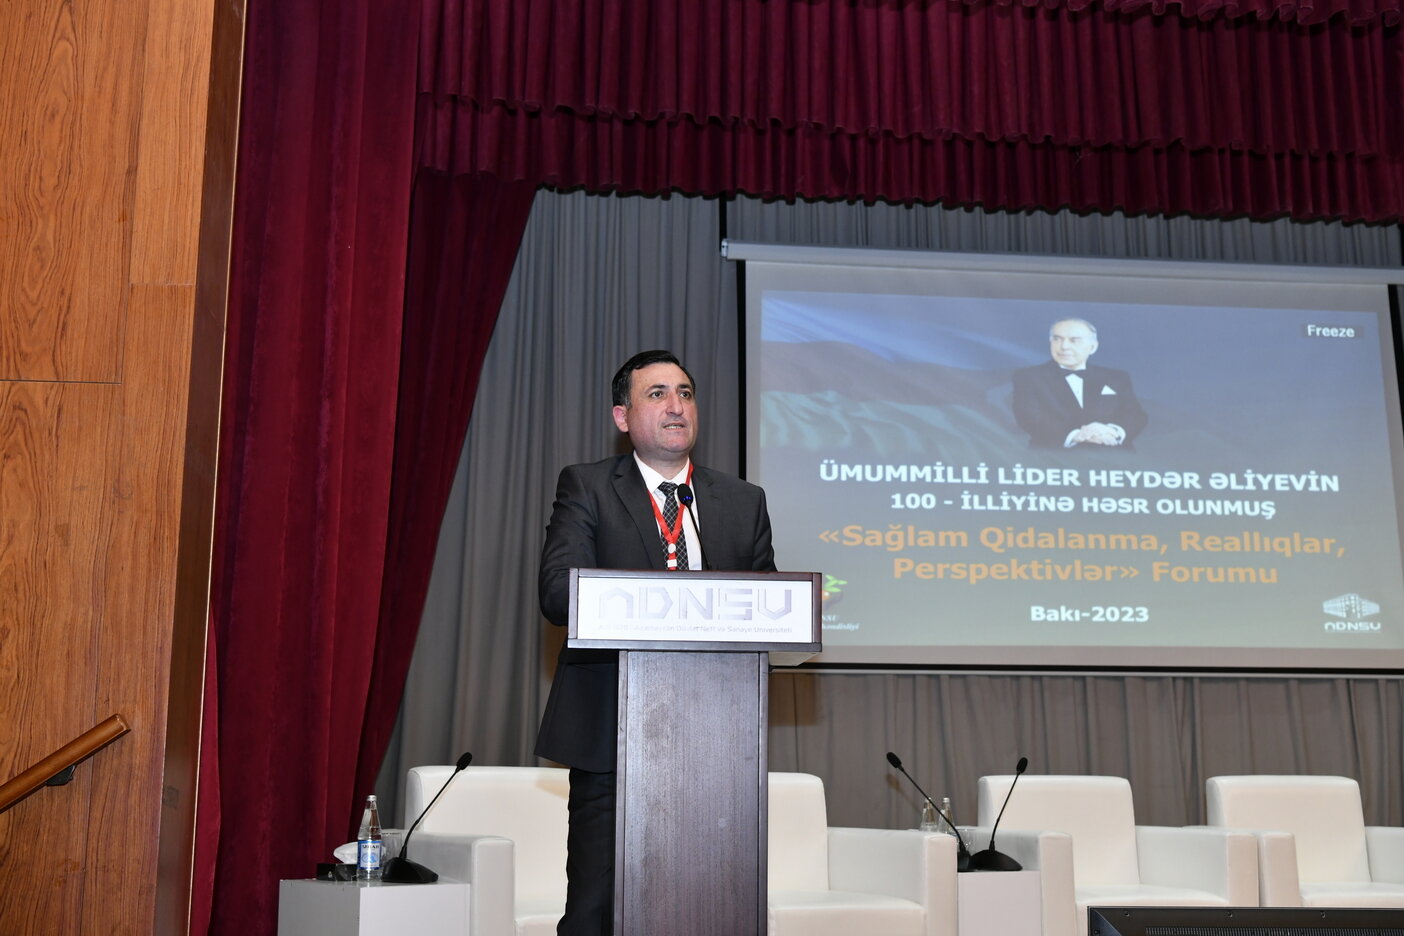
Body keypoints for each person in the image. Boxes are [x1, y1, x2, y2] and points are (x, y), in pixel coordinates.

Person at [535, 349, 776, 936]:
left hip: (719, 743)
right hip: (611, 733)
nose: (676, 406)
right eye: (658, 394)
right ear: (623, 417)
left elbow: (771, 609)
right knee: (595, 910)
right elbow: (560, 593)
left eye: (685, 394)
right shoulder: (588, 486)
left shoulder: (742, 501)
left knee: (713, 908)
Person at [1012, 317, 1148, 449]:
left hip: (1115, 457)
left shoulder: (1116, 377)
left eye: (1074, 340)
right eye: (1057, 339)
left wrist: (1113, 431)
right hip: (1052, 458)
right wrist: (1075, 436)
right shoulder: (1028, 377)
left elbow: (1135, 415)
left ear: (1093, 347)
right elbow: (1028, 417)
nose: (1064, 346)